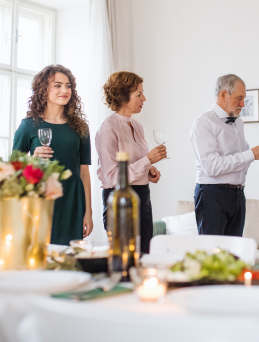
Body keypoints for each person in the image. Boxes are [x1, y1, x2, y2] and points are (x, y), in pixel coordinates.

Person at [12, 65, 93, 245]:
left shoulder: (81, 127)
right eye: (57, 85)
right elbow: (13, 171)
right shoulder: (28, 127)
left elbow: (84, 173)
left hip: (72, 203)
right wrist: (32, 160)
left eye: (68, 85)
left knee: (69, 259)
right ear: (43, 89)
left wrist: (88, 212)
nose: (64, 90)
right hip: (40, 202)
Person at [189, 74, 259, 236]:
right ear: (223, 94)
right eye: (239, 98)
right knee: (211, 253)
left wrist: (254, 155)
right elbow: (212, 167)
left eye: (244, 99)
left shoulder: (238, 122)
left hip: (238, 195)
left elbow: (241, 159)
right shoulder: (203, 122)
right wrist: (251, 154)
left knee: (234, 253)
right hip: (212, 194)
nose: (243, 104)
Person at [95, 71, 166, 254]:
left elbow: (137, 162)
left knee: (144, 253)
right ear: (123, 96)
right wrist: (147, 160)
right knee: (124, 256)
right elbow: (112, 177)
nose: (144, 98)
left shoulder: (137, 126)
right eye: (139, 94)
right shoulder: (108, 129)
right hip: (119, 200)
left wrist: (150, 170)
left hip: (143, 196)